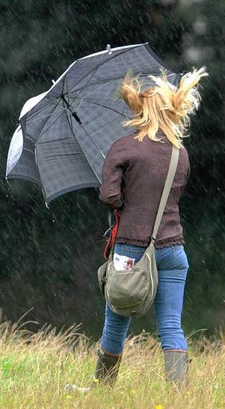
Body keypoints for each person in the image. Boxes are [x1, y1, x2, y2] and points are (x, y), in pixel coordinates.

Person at [68, 66, 208, 392]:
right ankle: (179, 396)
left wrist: (113, 174)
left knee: (116, 321)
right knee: (171, 325)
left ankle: (101, 392)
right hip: (173, 248)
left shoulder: (123, 146)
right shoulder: (180, 153)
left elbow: (110, 196)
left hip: (131, 249)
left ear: (140, 109)